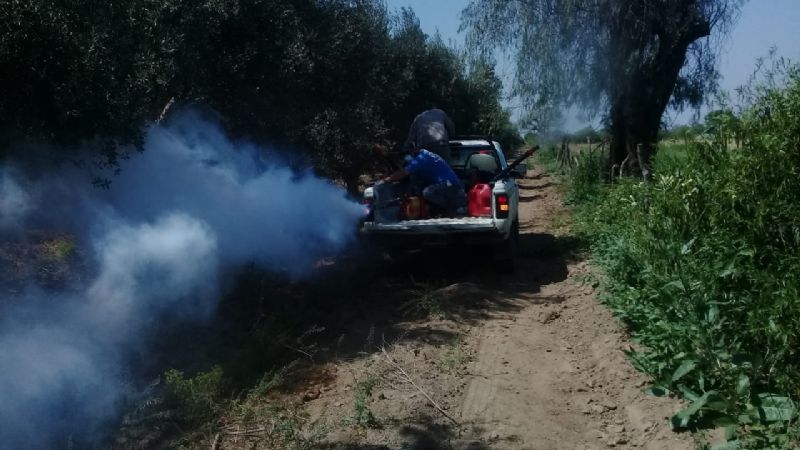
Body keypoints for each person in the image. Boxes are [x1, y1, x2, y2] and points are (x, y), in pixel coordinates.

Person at [383, 142, 466, 216]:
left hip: (449, 184)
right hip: (448, 185)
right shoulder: (425, 155)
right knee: (420, 189)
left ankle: (450, 208)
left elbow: (404, 172)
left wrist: (388, 179)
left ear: (416, 149)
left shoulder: (422, 158)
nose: (408, 155)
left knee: (428, 192)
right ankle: (439, 209)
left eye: (408, 152)